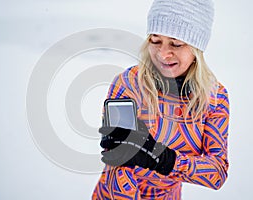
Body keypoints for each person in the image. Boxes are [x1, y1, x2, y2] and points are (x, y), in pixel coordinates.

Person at [92, 0, 229, 199]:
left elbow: (217, 173)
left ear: (197, 48)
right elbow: (119, 166)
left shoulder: (215, 98)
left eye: (176, 43)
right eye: (155, 41)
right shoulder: (129, 84)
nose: (163, 53)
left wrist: (163, 159)